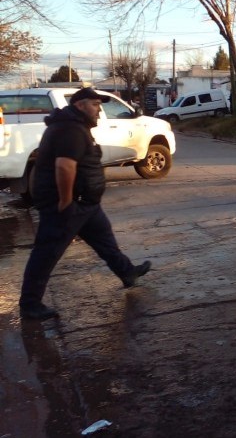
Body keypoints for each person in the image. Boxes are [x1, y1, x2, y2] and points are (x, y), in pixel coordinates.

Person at [19, 87, 151, 321]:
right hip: (70, 205)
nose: (99, 110)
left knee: (105, 241)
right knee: (47, 252)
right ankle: (30, 304)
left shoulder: (75, 126)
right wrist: (66, 201)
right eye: (95, 105)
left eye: (100, 105)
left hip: (87, 204)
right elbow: (64, 166)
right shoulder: (70, 129)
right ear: (80, 105)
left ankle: (127, 272)